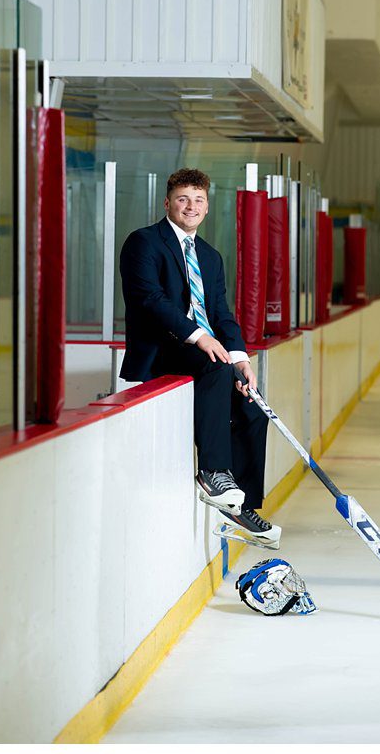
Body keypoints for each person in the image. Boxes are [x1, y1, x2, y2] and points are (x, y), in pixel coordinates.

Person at [119, 169, 280, 543]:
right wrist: (198, 337)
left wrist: (240, 356)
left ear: (207, 207)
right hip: (163, 349)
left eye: (198, 200)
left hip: (204, 348)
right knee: (213, 367)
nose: (191, 206)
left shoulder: (209, 256)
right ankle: (213, 473)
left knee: (252, 407)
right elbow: (150, 300)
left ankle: (242, 507)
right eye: (182, 199)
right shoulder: (144, 242)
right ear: (167, 203)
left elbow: (221, 311)